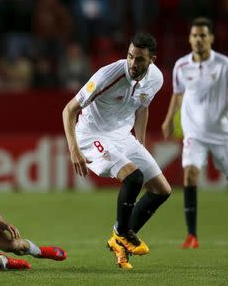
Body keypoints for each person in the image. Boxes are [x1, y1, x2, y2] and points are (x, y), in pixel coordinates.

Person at [62, 32, 172, 269]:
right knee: (134, 178)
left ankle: (118, 238)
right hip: (92, 136)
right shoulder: (108, 75)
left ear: (152, 59)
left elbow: (142, 107)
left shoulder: (156, 79)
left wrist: (140, 143)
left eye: (140, 59)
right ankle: (122, 234)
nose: (133, 63)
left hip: (122, 136)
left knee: (162, 190)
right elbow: (69, 110)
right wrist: (73, 149)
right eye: (131, 56)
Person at [162, 17, 228, 249]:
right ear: (190, 39)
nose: (198, 39)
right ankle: (192, 236)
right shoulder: (181, 66)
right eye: (194, 35)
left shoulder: (225, 65)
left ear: (211, 38)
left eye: (203, 35)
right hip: (195, 133)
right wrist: (169, 119)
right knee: (190, 175)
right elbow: (177, 94)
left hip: (223, 133)